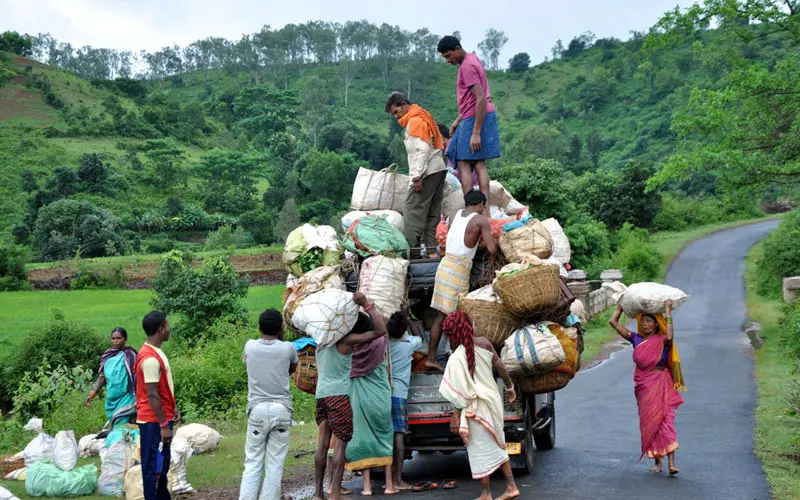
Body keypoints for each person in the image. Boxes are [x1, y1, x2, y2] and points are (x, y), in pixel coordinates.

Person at [313, 292, 388, 500]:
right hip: (338, 395)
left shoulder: (321, 341)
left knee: (321, 444)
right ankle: (335, 493)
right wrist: (367, 305)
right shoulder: (346, 340)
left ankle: (318, 494)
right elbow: (381, 331)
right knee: (340, 444)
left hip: (321, 396)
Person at [438, 311, 519, 500]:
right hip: (492, 401)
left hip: (474, 409)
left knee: (479, 449)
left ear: (451, 334)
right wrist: (510, 387)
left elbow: (459, 394)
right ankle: (510, 486)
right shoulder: (484, 343)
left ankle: (487, 493)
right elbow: (500, 366)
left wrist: (455, 414)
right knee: (498, 442)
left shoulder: (456, 358)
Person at [608, 300, 686, 475]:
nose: (645, 324)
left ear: (656, 324)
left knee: (666, 420)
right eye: (643, 321)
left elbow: (670, 337)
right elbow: (613, 322)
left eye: (649, 321)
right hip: (644, 385)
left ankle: (671, 463)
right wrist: (621, 306)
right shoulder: (636, 339)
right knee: (651, 421)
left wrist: (668, 312)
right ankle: (658, 463)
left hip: (661, 383)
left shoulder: (663, 340)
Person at [425, 190, 496, 372]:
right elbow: (492, 248)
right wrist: (496, 239)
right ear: (481, 204)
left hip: (445, 265)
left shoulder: (456, 214)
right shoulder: (480, 220)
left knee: (440, 316)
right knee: (456, 318)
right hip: (458, 270)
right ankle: (455, 359)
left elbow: (461, 240)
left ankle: (432, 358)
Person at [239, 309, 299, 500]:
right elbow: (292, 367)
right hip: (281, 410)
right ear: (282, 327)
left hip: (256, 410)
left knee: (252, 463)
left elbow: (248, 363)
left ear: (259, 327)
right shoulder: (288, 348)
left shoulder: (250, 346)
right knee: (275, 464)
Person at [437, 35, 500, 217]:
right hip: (477, 115)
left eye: (449, 56)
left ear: (457, 48)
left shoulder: (467, 67)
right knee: (478, 161)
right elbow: (474, 99)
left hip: (476, 117)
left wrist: (476, 132)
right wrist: (459, 120)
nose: (448, 61)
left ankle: (472, 208)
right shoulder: (473, 59)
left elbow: (480, 99)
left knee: (462, 160)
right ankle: (485, 211)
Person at [344, 303, 397, 496]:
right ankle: (389, 485)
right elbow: (382, 326)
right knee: (385, 436)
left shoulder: (348, 347)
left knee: (363, 437)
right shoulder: (380, 341)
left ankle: (367, 487)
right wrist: (368, 305)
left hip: (358, 399)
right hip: (380, 398)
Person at [386, 92, 448, 257]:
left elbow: (419, 151)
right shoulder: (422, 116)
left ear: (404, 104)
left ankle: (413, 254)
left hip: (427, 170)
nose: (396, 116)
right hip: (438, 167)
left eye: (396, 111)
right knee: (431, 212)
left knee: (412, 211)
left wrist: (416, 177)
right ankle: (431, 252)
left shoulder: (415, 121)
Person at [135, 311, 177, 500]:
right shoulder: (150, 359)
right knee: (153, 468)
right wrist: (163, 425)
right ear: (160, 329)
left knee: (162, 465)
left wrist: (171, 408)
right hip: (153, 422)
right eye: (167, 325)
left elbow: (161, 388)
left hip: (160, 418)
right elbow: (152, 395)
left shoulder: (156, 352)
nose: (169, 329)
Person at [387, 310, 420, 490]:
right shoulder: (408, 345)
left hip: (383, 394)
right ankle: (398, 479)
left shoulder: (384, 345)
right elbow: (420, 337)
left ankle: (389, 479)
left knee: (386, 437)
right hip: (399, 395)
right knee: (398, 436)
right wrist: (410, 318)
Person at [86, 327, 138, 427]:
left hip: (127, 397)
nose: (116, 341)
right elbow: (102, 377)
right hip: (112, 398)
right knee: (116, 425)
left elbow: (138, 376)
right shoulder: (107, 355)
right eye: (113, 338)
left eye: (119, 338)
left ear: (125, 339)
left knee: (123, 425)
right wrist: (92, 394)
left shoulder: (130, 355)